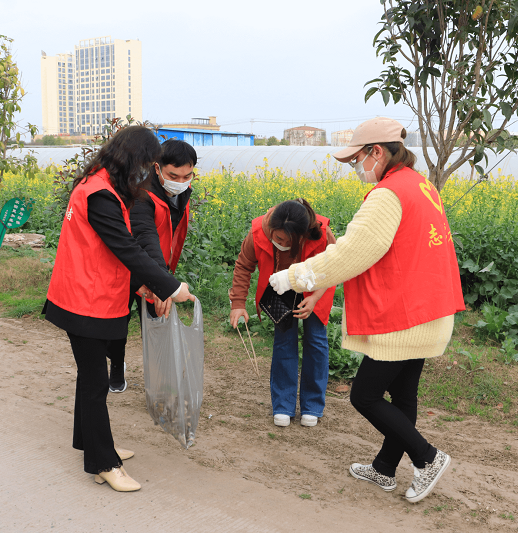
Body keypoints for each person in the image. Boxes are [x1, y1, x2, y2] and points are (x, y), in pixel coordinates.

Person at [268, 117, 465, 503]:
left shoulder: (388, 194)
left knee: (365, 396)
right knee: (403, 395)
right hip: (429, 306)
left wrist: (294, 277)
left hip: (405, 313)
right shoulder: (419, 185)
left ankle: (427, 457)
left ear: (376, 151)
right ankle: (385, 468)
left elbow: (352, 253)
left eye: (356, 159)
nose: (355, 167)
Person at [44, 126, 195, 492]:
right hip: (84, 300)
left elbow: (110, 249)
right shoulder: (100, 195)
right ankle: (103, 462)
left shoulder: (101, 185)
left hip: (90, 293)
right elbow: (126, 247)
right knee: (96, 382)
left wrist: (140, 283)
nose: (146, 173)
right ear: (132, 160)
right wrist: (170, 286)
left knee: (89, 377)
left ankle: (91, 443)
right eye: (146, 164)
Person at [229, 199, 336, 427]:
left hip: (315, 288)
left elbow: (334, 269)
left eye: (291, 242)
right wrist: (238, 303)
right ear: (271, 229)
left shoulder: (321, 233)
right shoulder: (257, 232)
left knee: (316, 340)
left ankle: (312, 406)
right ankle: (283, 405)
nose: (283, 245)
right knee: (284, 340)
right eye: (278, 239)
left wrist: (314, 299)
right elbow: (244, 266)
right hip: (280, 289)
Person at [106, 139, 197, 393]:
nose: (180, 182)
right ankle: (116, 366)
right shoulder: (141, 194)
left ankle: (159, 378)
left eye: (187, 176)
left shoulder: (182, 192)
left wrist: (162, 278)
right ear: (157, 168)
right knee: (118, 322)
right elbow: (145, 237)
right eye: (173, 176)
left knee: (157, 320)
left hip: (158, 267)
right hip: (129, 267)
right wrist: (161, 283)